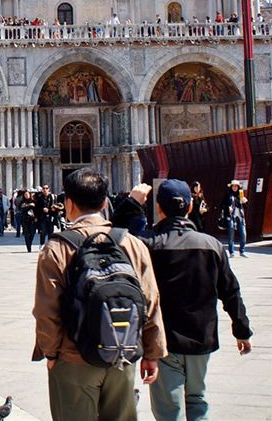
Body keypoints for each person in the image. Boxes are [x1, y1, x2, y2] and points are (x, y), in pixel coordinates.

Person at [33, 167, 166, 421]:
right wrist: (152, 353)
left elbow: (46, 310)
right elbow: (150, 302)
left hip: (73, 357)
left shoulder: (57, 248)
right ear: (105, 203)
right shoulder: (131, 244)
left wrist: (50, 353)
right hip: (122, 355)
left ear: (68, 203)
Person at [140, 179, 252, 421]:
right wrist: (241, 330)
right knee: (197, 400)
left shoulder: (148, 244)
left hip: (164, 340)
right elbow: (231, 291)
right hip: (202, 338)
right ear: (190, 207)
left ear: (159, 208)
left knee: (169, 410)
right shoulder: (212, 245)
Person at [220, 181, 247, 258]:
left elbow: (245, 207)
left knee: (243, 234)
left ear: (238, 187)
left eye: (236, 186)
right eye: (233, 186)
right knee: (231, 235)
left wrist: (245, 202)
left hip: (240, 216)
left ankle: (242, 251)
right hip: (231, 216)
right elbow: (221, 205)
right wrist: (228, 207)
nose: (234, 187)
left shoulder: (241, 195)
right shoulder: (228, 195)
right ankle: (232, 252)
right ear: (231, 187)